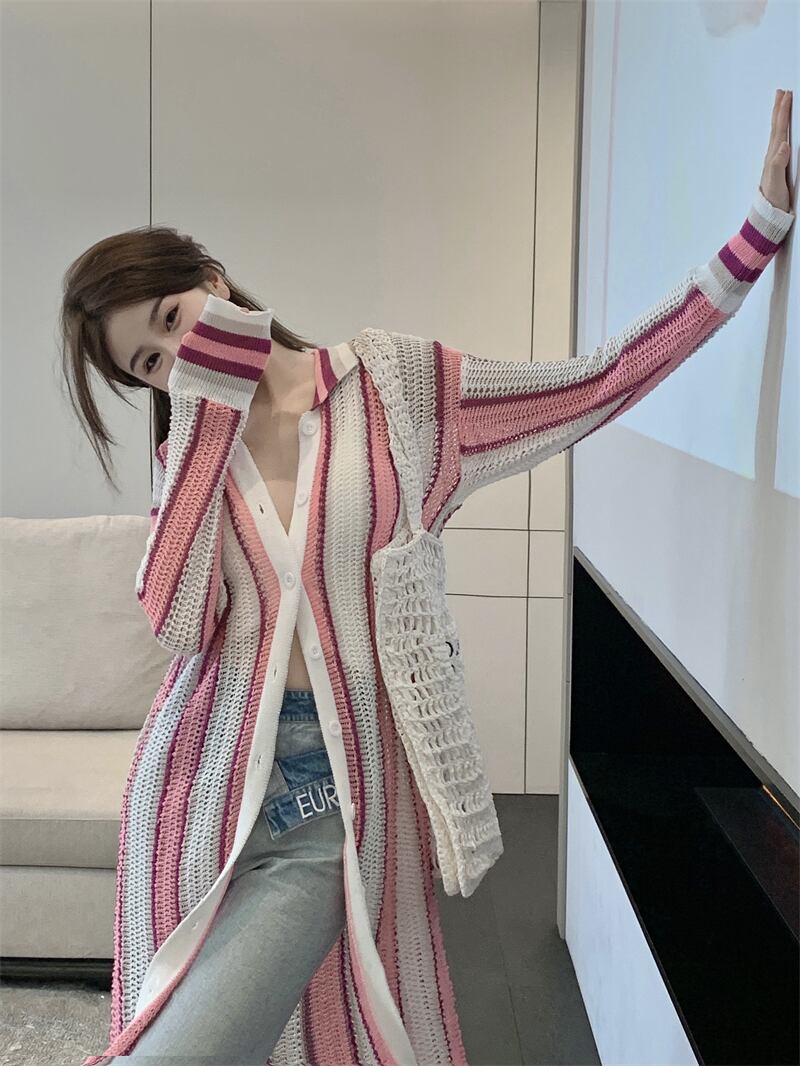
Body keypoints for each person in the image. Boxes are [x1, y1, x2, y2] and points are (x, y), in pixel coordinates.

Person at [63, 90, 794, 1065]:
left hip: (336, 799)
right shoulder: (189, 461)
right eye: (151, 365)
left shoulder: (393, 390)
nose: (177, 358)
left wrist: (753, 239)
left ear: (212, 277)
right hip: (200, 787)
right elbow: (177, 625)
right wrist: (202, 423)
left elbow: (593, 383)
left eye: (172, 317)